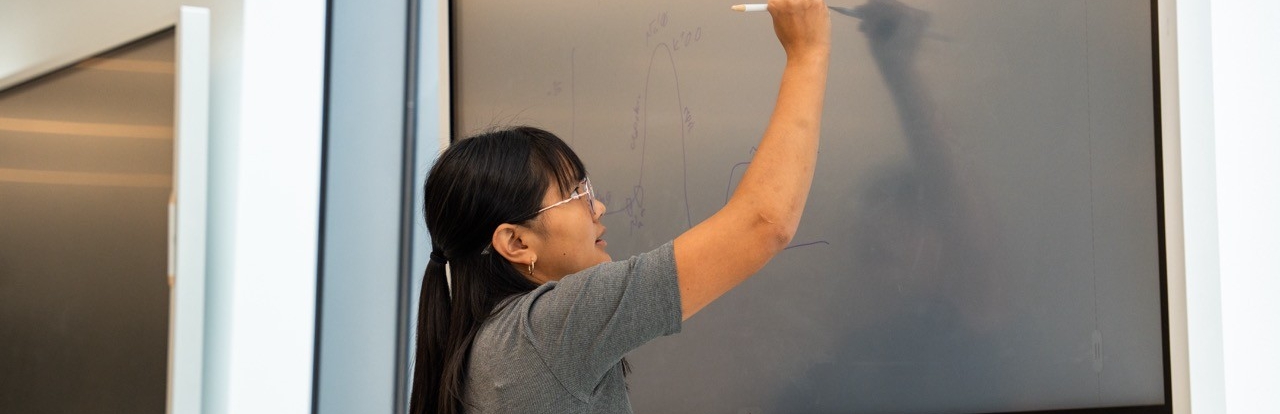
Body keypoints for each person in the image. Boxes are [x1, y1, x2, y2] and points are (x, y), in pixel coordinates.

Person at [408, 1, 830, 412]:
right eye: (577, 195)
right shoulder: (545, 331)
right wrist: (807, 54)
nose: (600, 207)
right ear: (516, 242)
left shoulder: (487, 345)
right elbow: (764, 223)